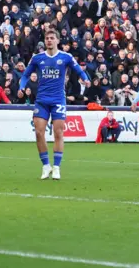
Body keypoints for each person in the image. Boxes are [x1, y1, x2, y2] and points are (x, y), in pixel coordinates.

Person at [18, 28, 90, 180]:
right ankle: (46, 165)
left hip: (58, 100)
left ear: (57, 40)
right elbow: (25, 75)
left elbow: (79, 70)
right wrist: (21, 87)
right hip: (42, 100)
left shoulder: (66, 57)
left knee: (58, 132)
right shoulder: (37, 58)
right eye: (47, 38)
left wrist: (85, 78)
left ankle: (56, 167)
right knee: (39, 132)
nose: (49, 40)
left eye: (52, 38)